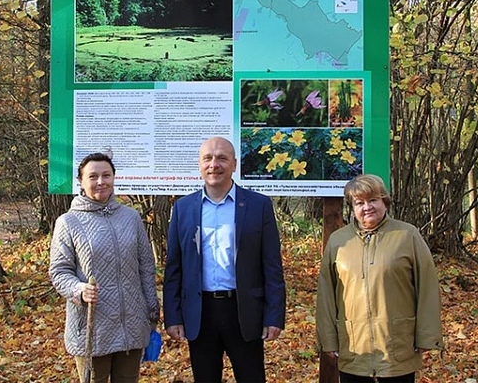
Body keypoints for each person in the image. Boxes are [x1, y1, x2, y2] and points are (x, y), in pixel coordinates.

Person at [163, 136, 286, 383]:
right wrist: (173, 316)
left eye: (222, 158)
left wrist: (274, 315)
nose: (214, 164)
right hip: (200, 312)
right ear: (199, 164)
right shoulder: (183, 208)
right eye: (207, 158)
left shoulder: (258, 205)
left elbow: (271, 265)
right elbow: (174, 268)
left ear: (234, 164)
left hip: (244, 311)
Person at [316, 174, 443, 383]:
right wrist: (328, 340)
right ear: (352, 207)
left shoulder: (407, 235)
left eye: (373, 200)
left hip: (397, 344)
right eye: (359, 203)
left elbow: (427, 286)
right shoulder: (338, 241)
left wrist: (427, 335)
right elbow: (326, 295)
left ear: (384, 201)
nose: (367, 207)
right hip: (354, 347)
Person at [49, 152, 159, 383]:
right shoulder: (68, 222)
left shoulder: (130, 217)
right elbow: (59, 271)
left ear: (114, 178)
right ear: (81, 181)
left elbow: (146, 267)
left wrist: (151, 311)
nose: (101, 181)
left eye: (106, 175)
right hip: (93, 326)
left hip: (131, 324)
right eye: (93, 176)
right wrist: (78, 289)